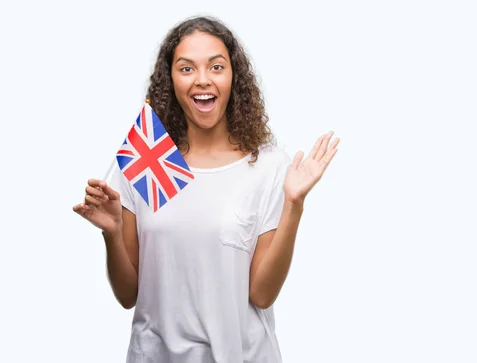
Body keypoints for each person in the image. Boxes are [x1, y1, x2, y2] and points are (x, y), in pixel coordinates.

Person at [72, 15, 339, 363]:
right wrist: (112, 232)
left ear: (233, 76)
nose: (203, 80)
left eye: (216, 66)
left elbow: (262, 294)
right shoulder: (148, 160)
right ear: (170, 80)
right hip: (155, 355)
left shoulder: (268, 166)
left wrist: (294, 204)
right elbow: (128, 294)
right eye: (186, 69)